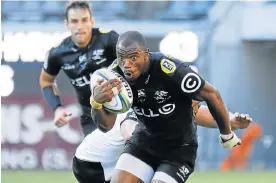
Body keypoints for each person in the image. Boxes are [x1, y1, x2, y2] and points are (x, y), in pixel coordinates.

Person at [91, 30, 242, 183]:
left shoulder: (169, 68)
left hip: (179, 150)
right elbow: (106, 126)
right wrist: (96, 103)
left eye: (134, 57)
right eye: (121, 58)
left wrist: (226, 134)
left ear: (146, 54)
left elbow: (212, 94)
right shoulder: (114, 77)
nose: (127, 65)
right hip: (144, 143)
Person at [39, 1, 119, 136]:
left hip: (122, 108)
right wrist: (57, 109)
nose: (80, 26)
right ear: (67, 24)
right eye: (74, 21)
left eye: (84, 20)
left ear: (92, 21)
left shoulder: (109, 39)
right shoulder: (57, 53)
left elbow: (134, 64)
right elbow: (46, 81)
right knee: (91, 156)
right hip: (92, 116)